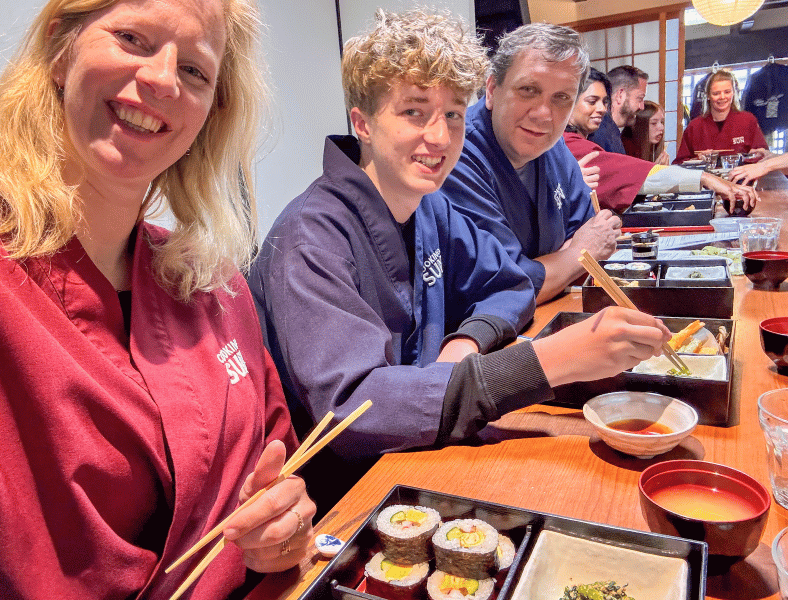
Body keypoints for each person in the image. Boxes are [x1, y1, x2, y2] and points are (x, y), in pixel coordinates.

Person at [250, 10, 672, 514]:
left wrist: (466, 341)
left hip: (432, 445)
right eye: (413, 111)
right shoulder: (310, 236)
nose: (440, 137)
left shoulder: (431, 207)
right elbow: (354, 410)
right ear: (362, 123)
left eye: (452, 114)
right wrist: (550, 361)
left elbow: (513, 281)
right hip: (344, 496)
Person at [0, 0, 315, 598]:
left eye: (195, 70)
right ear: (62, 51)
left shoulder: (216, 287)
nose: (163, 79)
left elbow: (279, 471)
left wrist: (284, 525)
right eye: (133, 38)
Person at [440, 24, 621, 304]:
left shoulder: (552, 144)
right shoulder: (456, 152)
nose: (543, 114)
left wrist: (557, 265)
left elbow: (588, 225)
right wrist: (577, 254)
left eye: (561, 98)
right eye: (527, 90)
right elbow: (507, 286)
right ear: (491, 90)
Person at [564, 68, 758, 212]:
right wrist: (705, 178)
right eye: (592, 101)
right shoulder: (568, 143)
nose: (602, 109)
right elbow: (624, 172)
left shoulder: (747, 118)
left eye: (604, 102)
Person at [674, 69, 769, 164]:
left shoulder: (748, 120)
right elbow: (679, 164)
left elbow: (763, 156)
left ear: (733, 93)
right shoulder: (694, 126)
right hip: (705, 177)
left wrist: (750, 157)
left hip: (741, 177)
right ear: (708, 95)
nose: (722, 97)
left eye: (727, 92)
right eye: (716, 93)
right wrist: (697, 160)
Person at [588, 65, 648, 155]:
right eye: (640, 98)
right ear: (620, 96)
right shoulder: (603, 133)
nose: (642, 107)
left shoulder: (608, 129)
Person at [622, 100, 669, 164]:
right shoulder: (626, 149)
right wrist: (655, 170)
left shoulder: (652, 147)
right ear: (640, 125)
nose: (662, 127)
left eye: (662, 122)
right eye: (654, 123)